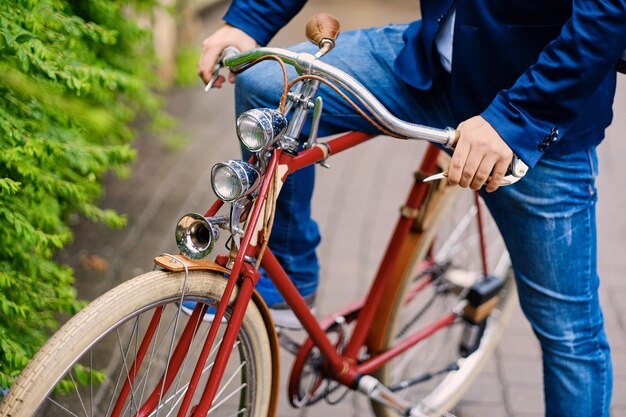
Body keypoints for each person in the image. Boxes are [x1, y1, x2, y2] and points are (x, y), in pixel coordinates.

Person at [198, 1, 626, 415]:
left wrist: (514, 120)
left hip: (525, 108)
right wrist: (250, 20)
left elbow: (608, 14)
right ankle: (289, 273)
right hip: (430, 66)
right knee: (267, 87)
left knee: (570, 334)